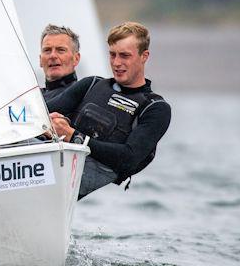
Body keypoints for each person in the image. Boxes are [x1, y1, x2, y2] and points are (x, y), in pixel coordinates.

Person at [46, 22, 171, 199]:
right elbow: (41, 114)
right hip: (58, 167)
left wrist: (75, 137)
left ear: (144, 56)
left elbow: (129, 157)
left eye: (125, 56)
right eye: (112, 55)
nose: (117, 63)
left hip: (100, 176)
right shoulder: (92, 84)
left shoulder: (155, 108)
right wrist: (50, 125)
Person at [39, 24, 81, 101]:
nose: (53, 56)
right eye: (47, 50)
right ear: (40, 60)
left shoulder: (88, 95)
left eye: (60, 50)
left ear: (76, 58)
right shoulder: (32, 101)